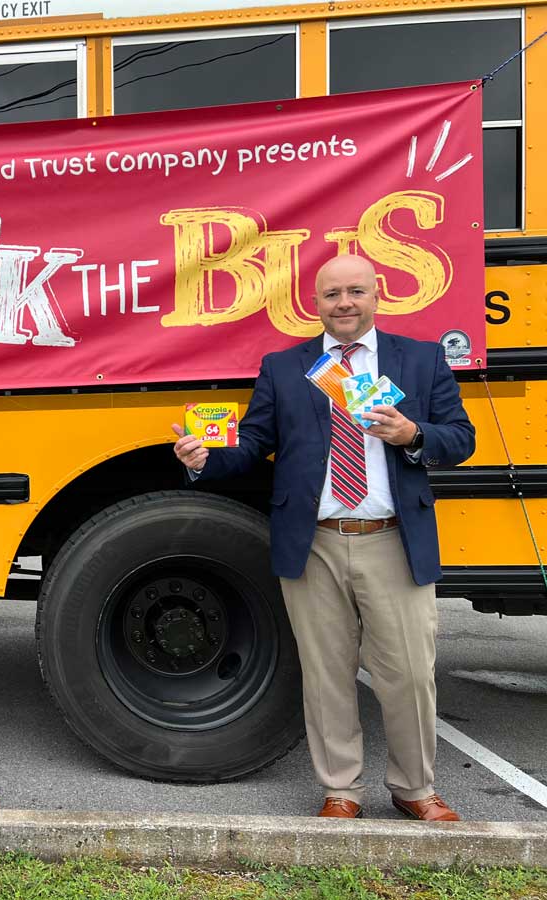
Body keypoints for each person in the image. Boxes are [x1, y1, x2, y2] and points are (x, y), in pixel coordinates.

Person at [172, 254, 475, 821]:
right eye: (332, 294)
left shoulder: (422, 360)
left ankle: (415, 789)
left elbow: (460, 438)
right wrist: (204, 460)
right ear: (316, 303)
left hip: (392, 539)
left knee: (408, 674)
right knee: (327, 673)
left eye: (355, 291)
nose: (344, 303)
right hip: (314, 542)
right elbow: (254, 443)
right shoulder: (285, 367)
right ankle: (342, 789)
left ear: (377, 293)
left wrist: (413, 434)